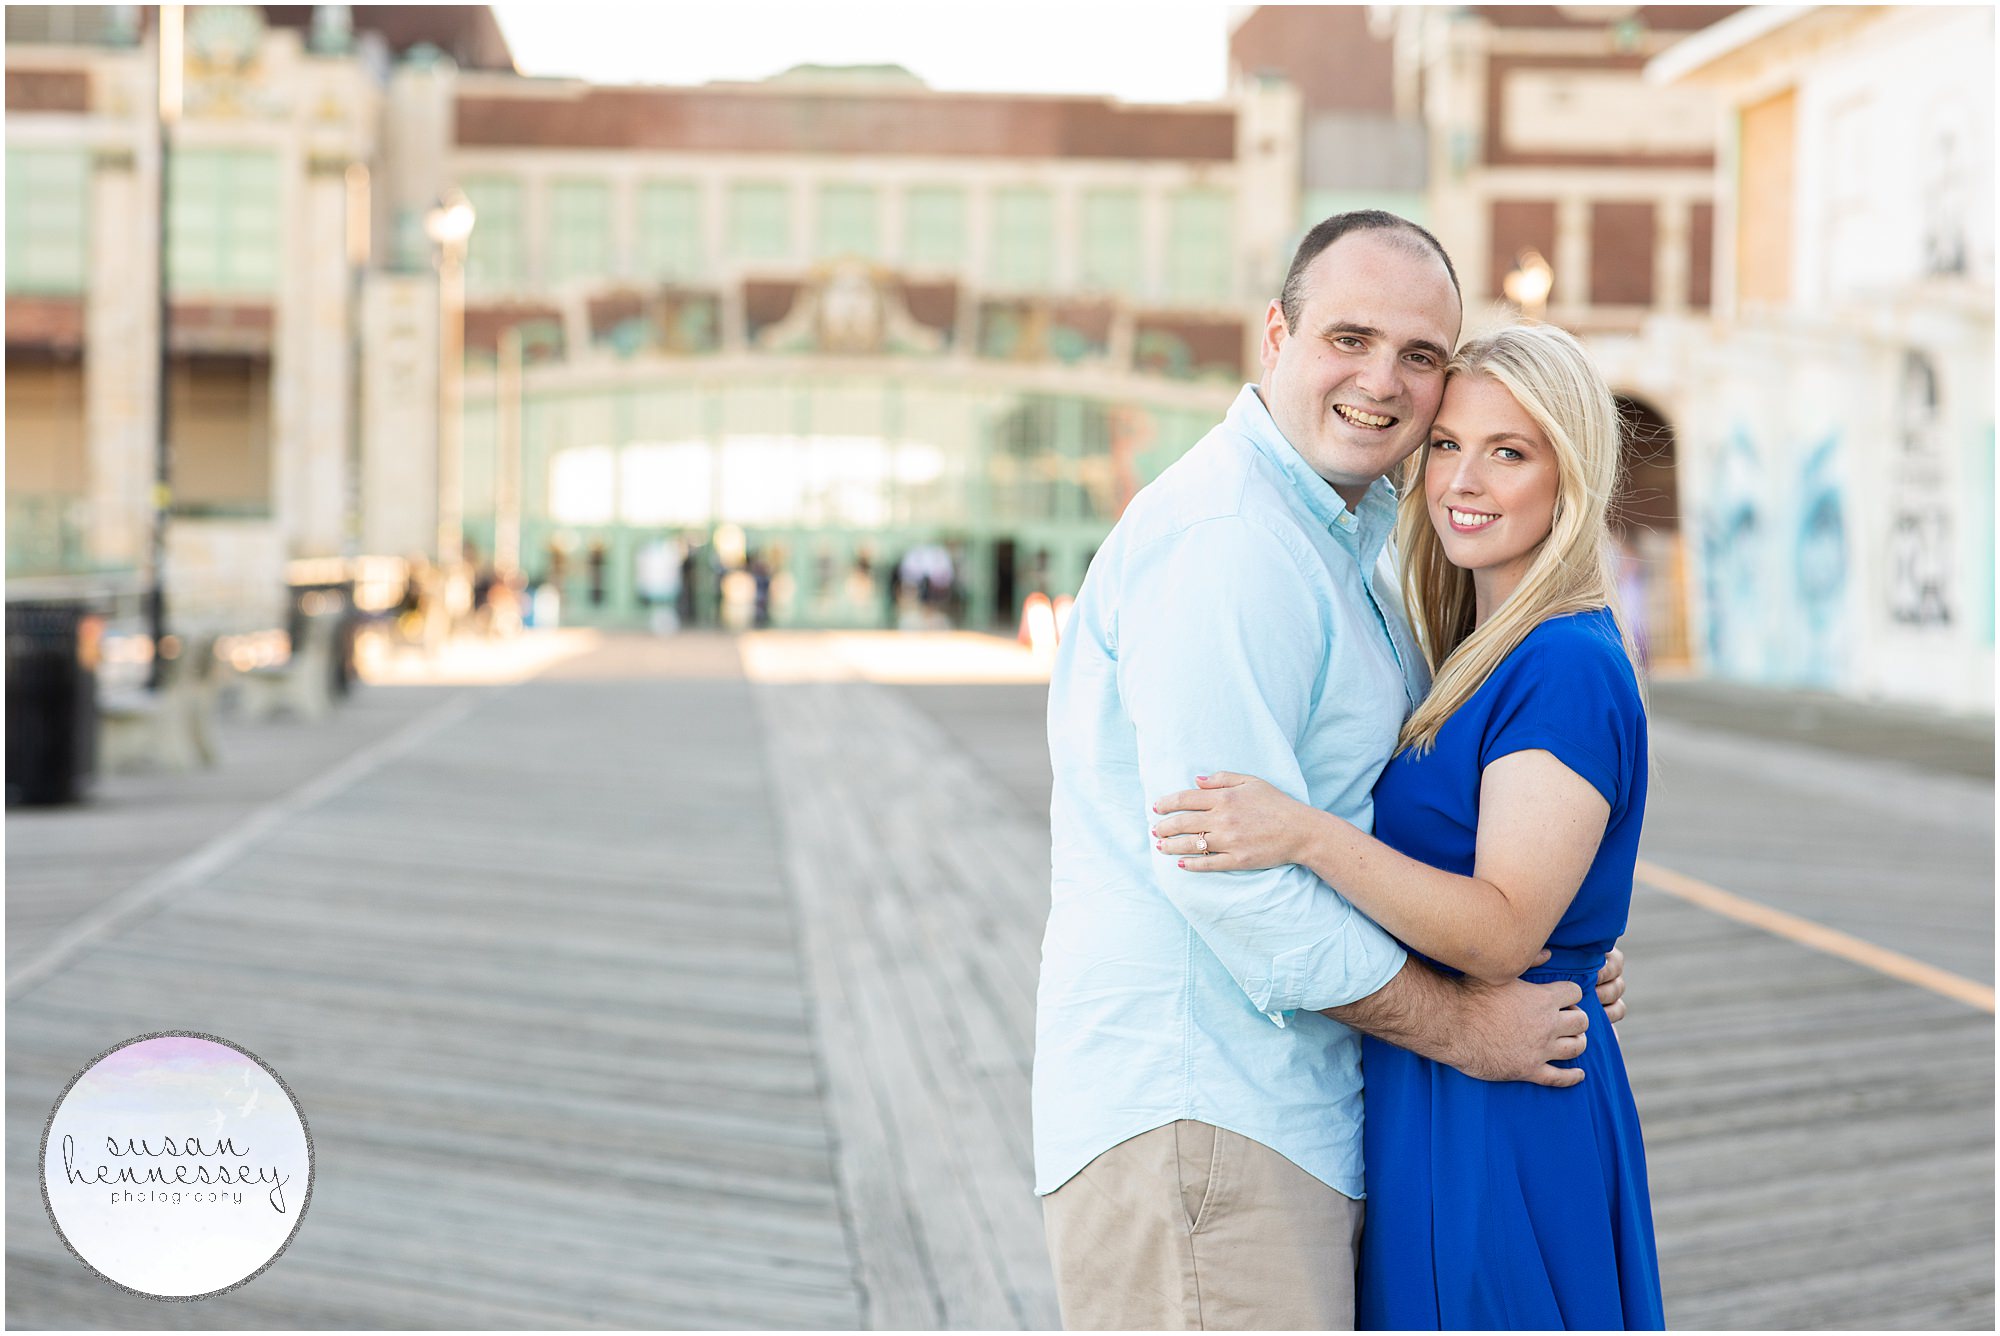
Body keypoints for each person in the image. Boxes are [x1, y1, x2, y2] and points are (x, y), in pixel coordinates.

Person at [1036, 211, 1624, 1331]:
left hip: (1297, 1111)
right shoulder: (1230, 543)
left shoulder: (1358, 536)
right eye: (1348, 337)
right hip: (1203, 1114)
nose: (1382, 382)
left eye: (1418, 355)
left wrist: (1550, 931)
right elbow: (1226, 879)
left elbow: (1391, 819)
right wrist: (1468, 1021)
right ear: (1275, 335)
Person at [1150, 323, 1663, 1328]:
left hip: (1500, 1103)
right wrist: (1581, 943)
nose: (1461, 479)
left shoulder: (1559, 663)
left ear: (1570, 474)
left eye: (1507, 451)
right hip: (1443, 1091)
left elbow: (1503, 929)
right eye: (1444, 445)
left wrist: (1303, 834)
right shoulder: (1479, 650)